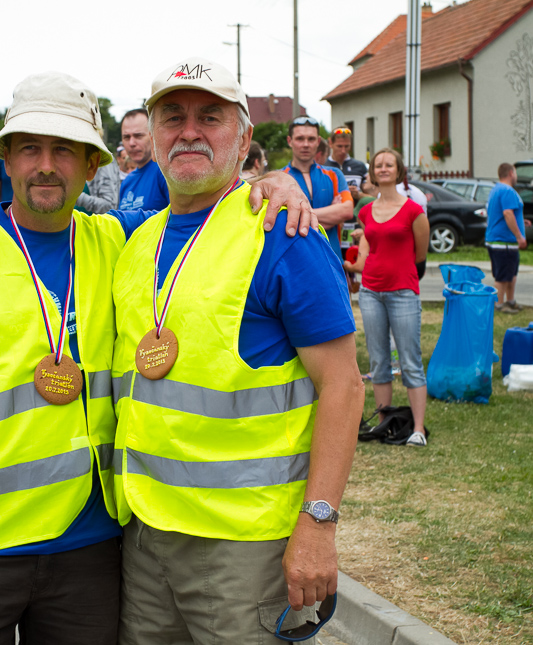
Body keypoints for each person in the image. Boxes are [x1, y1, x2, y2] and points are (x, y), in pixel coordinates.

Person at [0, 70, 316, 645]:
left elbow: (206, 205)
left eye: (65, 150)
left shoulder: (121, 244)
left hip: (90, 553)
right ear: (5, 158)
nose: (46, 165)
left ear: (91, 166)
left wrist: (279, 179)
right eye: (29, 148)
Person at [111, 56, 364, 644]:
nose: (190, 130)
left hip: (244, 549)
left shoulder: (284, 232)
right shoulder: (135, 241)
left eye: (212, 117)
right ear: (152, 135)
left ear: (245, 136)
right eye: (172, 116)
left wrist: (318, 524)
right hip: (145, 537)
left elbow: (345, 387)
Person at [344, 148, 429, 446]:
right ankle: (383, 423)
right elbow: (367, 250)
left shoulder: (413, 211)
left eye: (388, 164)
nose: (382, 169)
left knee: (410, 361)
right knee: (379, 362)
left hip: (403, 292)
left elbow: (421, 254)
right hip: (371, 292)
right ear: (372, 173)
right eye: (378, 165)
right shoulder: (365, 211)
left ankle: (417, 429)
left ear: (399, 171)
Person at [283, 116, 354, 261]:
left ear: (318, 142)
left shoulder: (334, 175)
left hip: (332, 261)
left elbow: (347, 211)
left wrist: (299, 214)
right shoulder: (280, 179)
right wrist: (332, 214)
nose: (306, 144)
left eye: (311, 139)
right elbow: (281, 221)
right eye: (300, 139)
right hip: (296, 263)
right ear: (290, 141)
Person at [485, 163, 529, 313]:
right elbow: (507, 214)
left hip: (497, 239)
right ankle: (499, 304)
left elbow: (502, 214)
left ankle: (510, 301)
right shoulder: (507, 191)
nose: (516, 176)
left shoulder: (496, 189)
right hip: (504, 241)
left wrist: (522, 222)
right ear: (511, 173)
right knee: (503, 275)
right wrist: (519, 236)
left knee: (511, 273)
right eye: (515, 173)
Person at [119, 108, 169, 210]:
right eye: (126, 137)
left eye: (138, 136)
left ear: (153, 135)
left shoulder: (165, 173)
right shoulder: (126, 182)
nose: (132, 143)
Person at [325, 126, 368, 201]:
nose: (343, 151)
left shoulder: (360, 166)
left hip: (356, 211)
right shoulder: (322, 166)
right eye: (339, 146)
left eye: (347, 146)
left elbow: (373, 196)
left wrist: (358, 195)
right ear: (330, 143)